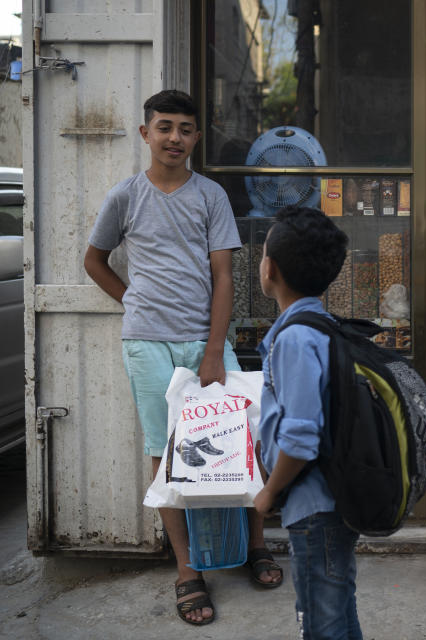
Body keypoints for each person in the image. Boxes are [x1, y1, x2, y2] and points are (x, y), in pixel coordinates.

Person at [83, 89, 282, 626]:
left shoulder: (211, 195)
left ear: (196, 137)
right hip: (146, 343)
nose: (175, 137)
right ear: (145, 133)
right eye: (164, 127)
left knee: (243, 440)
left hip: (204, 341)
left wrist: (215, 351)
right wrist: (133, 301)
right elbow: (94, 260)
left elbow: (224, 277)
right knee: (165, 452)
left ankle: (257, 544)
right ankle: (188, 570)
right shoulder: (124, 197)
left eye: (186, 129)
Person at [252, 206, 359, 640]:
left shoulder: (295, 337)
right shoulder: (323, 325)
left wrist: (269, 493)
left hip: (315, 507)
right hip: (334, 501)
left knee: (321, 623)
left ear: (270, 268)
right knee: (337, 611)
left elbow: (300, 438)